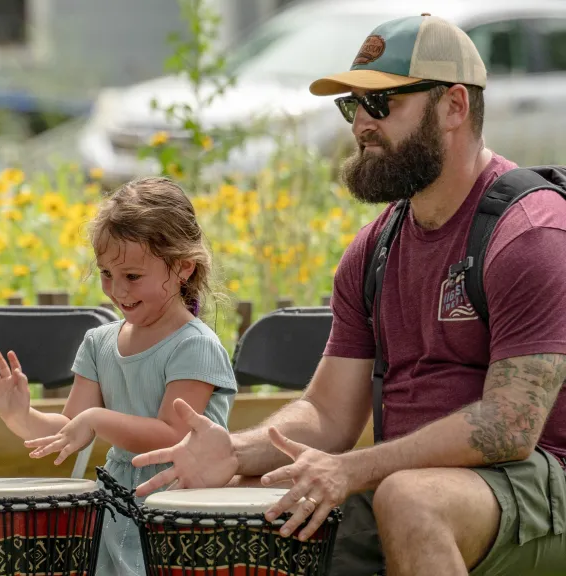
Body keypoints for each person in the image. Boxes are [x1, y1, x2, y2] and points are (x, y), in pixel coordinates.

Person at [132, 13, 566, 576]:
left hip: (539, 483)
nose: (361, 123)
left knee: (408, 499)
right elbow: (329, 413)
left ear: (455, 106)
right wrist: (235, 453)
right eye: (352, 105)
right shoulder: (375, 248)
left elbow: (509, 425)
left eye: (381, 105)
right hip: (414, 484)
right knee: (250, 504)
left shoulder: (529, 233)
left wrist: (358, 469)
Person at [0, 176, 238, 576]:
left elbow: (173, 436)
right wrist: (19, 417)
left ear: (184, 267)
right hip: (117, 506)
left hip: (182, 508)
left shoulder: (194, 346)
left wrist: (97, 420)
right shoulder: (99, 343)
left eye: (132, 276)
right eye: (105, 273)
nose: (117, 290)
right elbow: (70, 427)